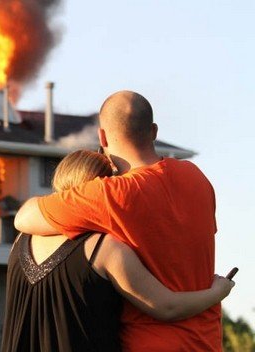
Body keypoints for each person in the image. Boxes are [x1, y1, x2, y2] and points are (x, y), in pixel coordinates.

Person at [14, 91, 224, 351]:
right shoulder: (197, 178)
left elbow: (24, 217)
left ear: (102, 137)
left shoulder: (112, 194)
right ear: (154, 131)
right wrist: (217, 293)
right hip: (207, 342)